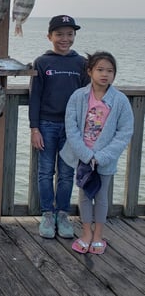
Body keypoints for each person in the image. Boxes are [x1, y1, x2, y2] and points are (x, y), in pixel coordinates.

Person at [60, 51, 133, 254]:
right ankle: (86, 233)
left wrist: (102, 156)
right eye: (100, 70)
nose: (105, 74)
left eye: (110, 71)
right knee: (84, 196)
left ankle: (99, 234)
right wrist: (86, 154)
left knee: (101, 197)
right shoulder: (79, 96)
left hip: (105, 160)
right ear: (90, 71)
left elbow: (124, 132)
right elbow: (71, 127)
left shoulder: (120, 100)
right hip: (84, 158)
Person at [29, 15, 89, 239]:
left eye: (70, 34)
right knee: (45, 172)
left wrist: (83, 129)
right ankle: (47, 214)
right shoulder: (42, 62)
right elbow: (35, 97)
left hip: (72, 128)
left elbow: (87, 97)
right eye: (59, 34)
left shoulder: (82, 64)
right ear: (50, 36)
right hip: (46, 125)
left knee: (66, 174)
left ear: (74, 36)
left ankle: (62, 214)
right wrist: (34, 129)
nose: (65, 39)